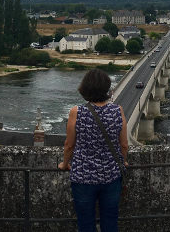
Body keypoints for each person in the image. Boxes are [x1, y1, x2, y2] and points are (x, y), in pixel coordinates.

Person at [59, 69, 127, 232]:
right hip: (111, 176)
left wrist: (64, 163)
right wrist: (123, 161)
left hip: (83, 177)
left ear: (85, 88)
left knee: (85, 222)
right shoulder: (118, 111)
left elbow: (69, 144)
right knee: (110, 221)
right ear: (107, 89)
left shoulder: (77, 112)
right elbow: (124, 144)